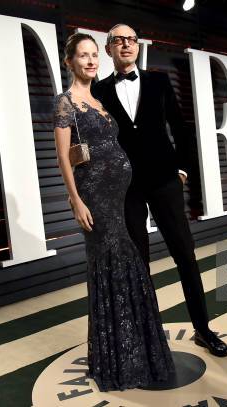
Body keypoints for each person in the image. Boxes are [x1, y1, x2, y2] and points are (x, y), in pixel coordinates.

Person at [92, 24, 227, 357]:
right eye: (118, 41)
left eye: (130, 40)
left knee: (185, 254)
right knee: (138, 263)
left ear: (137, 47)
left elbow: (181, 129)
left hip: (165, 181)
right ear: (109, 49)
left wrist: (182, 171)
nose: (125, 44)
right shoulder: (99, 92)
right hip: (127, 189)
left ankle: (203, 329)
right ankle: (148, 337)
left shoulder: (158, 81)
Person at [53, 33, 175, 392]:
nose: (91, 61)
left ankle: (134, 350)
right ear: (70, 62)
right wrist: (76, 200)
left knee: (126, 266)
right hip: (95, 198)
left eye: (94, 55)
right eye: (83, 56)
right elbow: (63, 156)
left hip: (121, 198)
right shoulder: (67, 102)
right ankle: (116, 359)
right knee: (112, 267)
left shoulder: (98, 98)